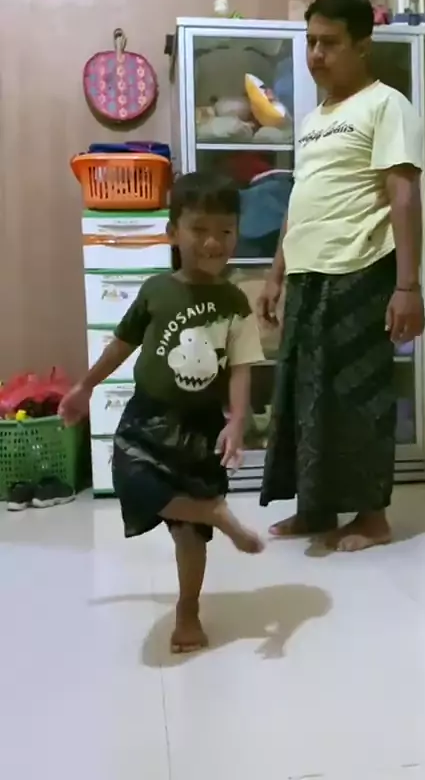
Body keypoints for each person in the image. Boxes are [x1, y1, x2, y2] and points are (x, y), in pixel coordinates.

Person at [60, 172, 265, 653]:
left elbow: (241, 366)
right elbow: (121, 345)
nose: (213, 242)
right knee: (134, 484)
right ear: (173, 232)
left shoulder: (235, 301)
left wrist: (237, 420)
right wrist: (86, 386)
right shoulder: (156, 290)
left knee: (190, 536)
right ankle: (214, 512)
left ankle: (188, 610)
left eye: (225, 230)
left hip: (201, 426)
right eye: (199, 229)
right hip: (147, 418)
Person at [257, 0, 425, 551]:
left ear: (362, 46)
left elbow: (403, 195)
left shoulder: (386, 105)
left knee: (357, 396)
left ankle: (372, 517)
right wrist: (276, 273)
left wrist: (407, 286)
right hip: (307, 274)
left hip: (360, 269)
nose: (315, 55)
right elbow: (300, 199)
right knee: (304, 395)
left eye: (329, 43)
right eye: (311, 42)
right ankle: (316, 508)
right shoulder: (313, 121)